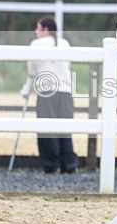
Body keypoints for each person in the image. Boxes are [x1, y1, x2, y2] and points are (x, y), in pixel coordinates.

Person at [20, 17, 78, 174]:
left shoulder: (35, 45)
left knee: (47, 130)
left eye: (38, 28)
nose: (36, 31)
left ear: (45, 29)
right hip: (65, 91)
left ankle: (52, 166)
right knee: (65, 129)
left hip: (46, 92)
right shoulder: (64, 43)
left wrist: (26, 90)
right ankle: (69, 165)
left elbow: (32, 73)